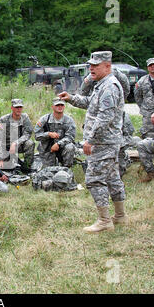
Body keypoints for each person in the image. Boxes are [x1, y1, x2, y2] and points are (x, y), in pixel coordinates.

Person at [59, 51, 126, 234]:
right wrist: (71, 98)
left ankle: (104, 220)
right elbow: (91, 103)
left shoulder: (110, 86)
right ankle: (120, 216)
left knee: (94, 179)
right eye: (91, 65)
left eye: (96, 65)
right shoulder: (101, 85)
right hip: (107, 142)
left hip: (103, 143)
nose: (91, 68)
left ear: (107, 66)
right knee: (112, 178)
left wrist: (90, 140)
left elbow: (105, 117)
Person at [80, 66, 134, 178]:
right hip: (98, 141)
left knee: (112, 174)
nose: (92, 69)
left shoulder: (111, 85)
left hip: (113, 142)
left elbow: (127, 135)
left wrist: (117, 145)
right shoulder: (97, 85)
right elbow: (84, 94)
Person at [34, 98, 76, 168]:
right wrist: (48, 134)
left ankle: (66, 169)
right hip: (47, 148)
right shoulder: (44, 119)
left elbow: (70, 137)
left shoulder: (69, 120)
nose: (60, 107)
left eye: (62, 105)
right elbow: (36, 136)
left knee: (70, 147)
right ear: (52, 107)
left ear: (64, 106)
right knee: (49, 170)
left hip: (63, 148)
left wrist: (58, 144)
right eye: (57, 105)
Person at [0, 98, 34, 171]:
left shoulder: (25, 117)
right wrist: (0, 158)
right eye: (16, 107)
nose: (18, 109)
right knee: (4, 168)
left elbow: (28, 133)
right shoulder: (3, 120)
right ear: (12, 108)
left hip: (19, 145)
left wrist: (16, 143)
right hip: (6, 146)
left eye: (20, 107)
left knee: (30, 143)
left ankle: (27, 167)